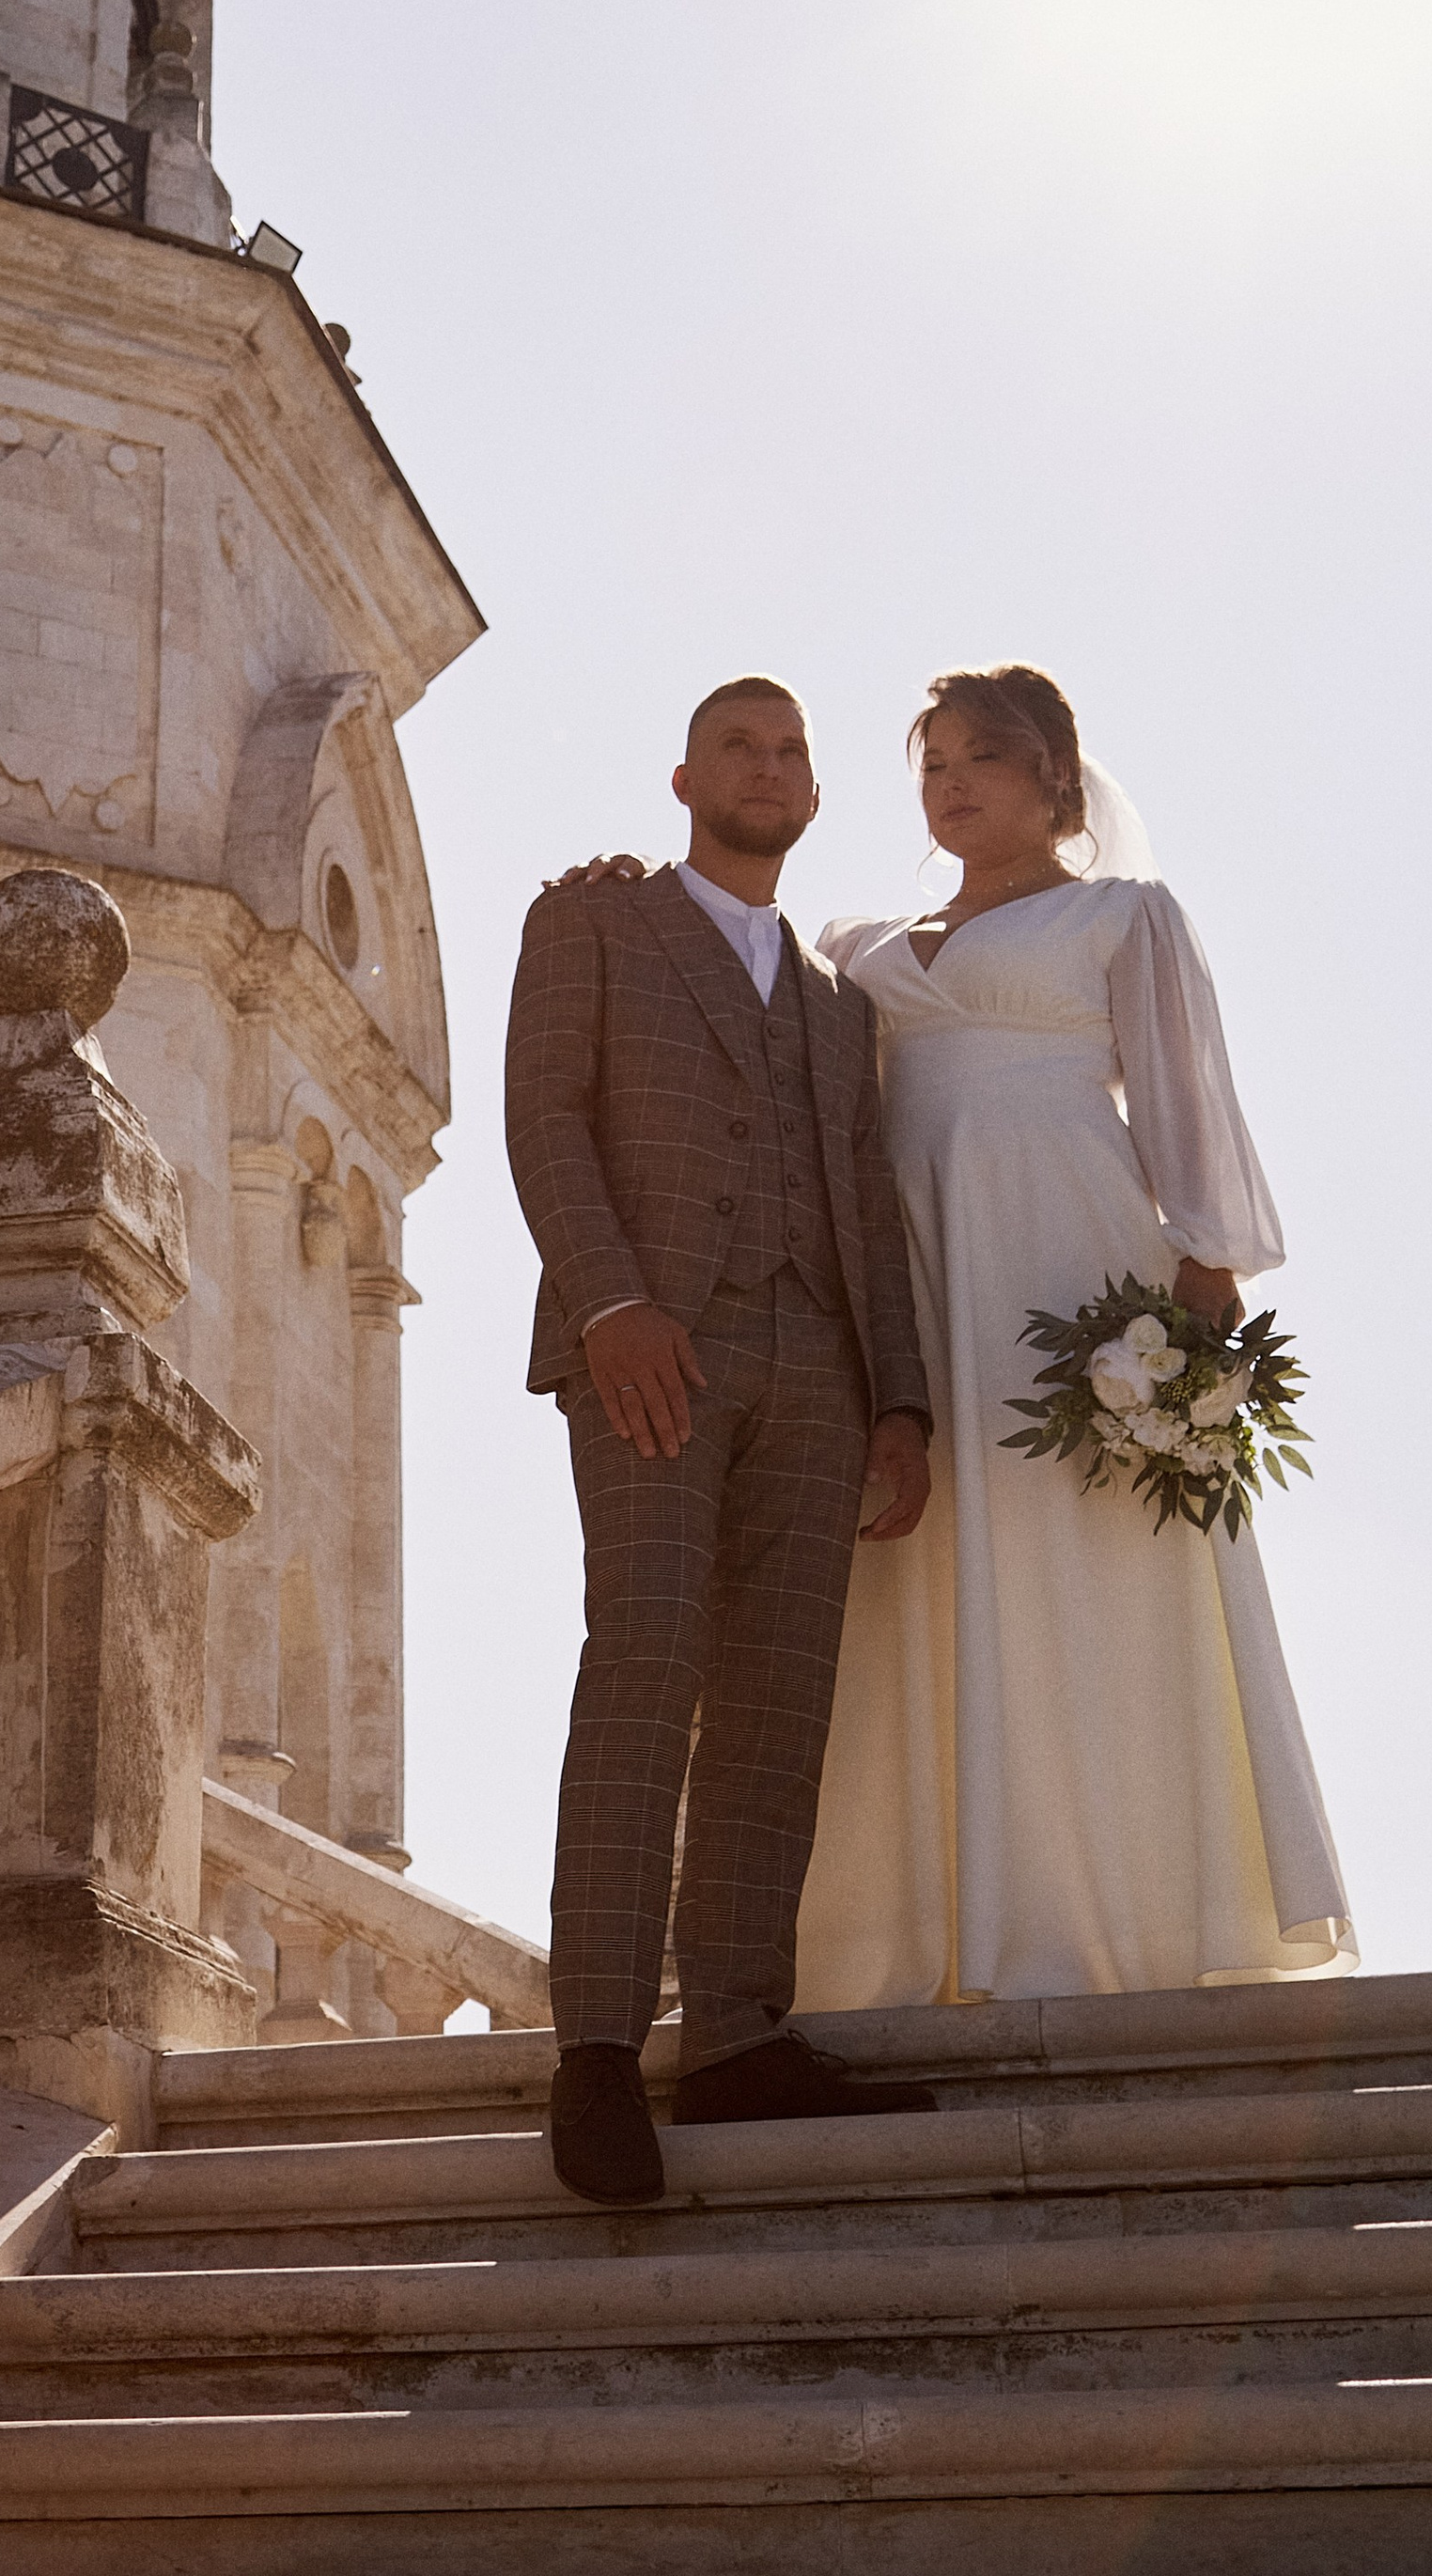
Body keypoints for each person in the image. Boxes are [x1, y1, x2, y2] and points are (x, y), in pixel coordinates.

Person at [791, 663, 1354, 2006]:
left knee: (1084, 1564)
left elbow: (1189, 1112)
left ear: (1055, 775)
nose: (951, 784)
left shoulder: (1124, 917)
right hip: (912, 1281)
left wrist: (1188, 1330)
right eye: (931, 764)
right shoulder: (856, 947)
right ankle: (913, 1936)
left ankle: (1115, 1919)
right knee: (918, 1562)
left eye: (982, 757)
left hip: (1071, 1265)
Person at [505, 677, 941, 2204]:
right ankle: (598, 2050)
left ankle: (741, 2032)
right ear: (685, 778)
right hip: (653, 1349)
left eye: (792, 750)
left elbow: (866, 1205)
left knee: (779, 1698)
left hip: (818, 1368)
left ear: (813, 792)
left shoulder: (838, 1005)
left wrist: (900, 1401)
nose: (768, 766)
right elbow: (546, 1118)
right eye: (740, 746)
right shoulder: (593, 922)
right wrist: (611, 1301)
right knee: (646, 1657)